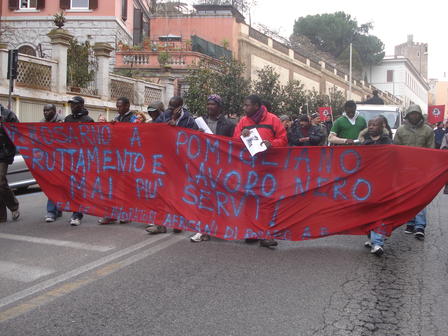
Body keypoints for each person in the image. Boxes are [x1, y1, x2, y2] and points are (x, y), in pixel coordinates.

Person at [233, 95, 287, 249]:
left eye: (247, 105)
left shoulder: (273, 120)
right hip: (249, 169)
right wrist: (240, 136)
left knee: (266, 202)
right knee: (250, 200)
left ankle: (265, 235)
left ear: (257, 106)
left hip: (269, 169)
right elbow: (234, 140)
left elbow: (283, 139)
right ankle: (251, 232)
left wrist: (272, 143)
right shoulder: (243, 121)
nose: (244, 108)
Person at [146, 97, 198, 235]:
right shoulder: (163, 117)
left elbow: (194, 140)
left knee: (178, 194)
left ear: (180, 107)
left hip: (180, 164)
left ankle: (178, 223)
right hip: (164, 162)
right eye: (169, 106)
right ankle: (160, 224)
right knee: (161, 194)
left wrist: (176, 125)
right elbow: (154, 133)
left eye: (173, 107)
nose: (170, 109)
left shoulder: (189, 121)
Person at [190, 94, 235, 242]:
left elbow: (232, 145)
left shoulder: (228, 124)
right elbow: (191, 140)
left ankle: (220, 227)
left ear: (220, 107)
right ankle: (203, 229)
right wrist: (198, 135)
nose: (210, 107)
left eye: (213, 104)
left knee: (219, 198)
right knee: (204, 197)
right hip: (202, 164)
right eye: (208, 104)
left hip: (220, 166)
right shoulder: (198, 122)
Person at [394, 104, 434, 240]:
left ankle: (420, 226)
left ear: (420, 115)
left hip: (421, 170)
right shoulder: (400, 130)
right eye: (412, 113)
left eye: (417, 113)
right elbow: (395, 150)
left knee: (421, 198)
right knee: (407, 198)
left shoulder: (428, 130)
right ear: (408, 115)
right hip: (405, 170)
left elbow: (431, 150)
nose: (414, 116)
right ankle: (410, 223)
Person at [98, 97, 134, 225]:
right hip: (114, 159)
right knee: (111, 188)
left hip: (128, 159)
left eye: (121, 106)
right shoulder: (117, 118)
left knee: (126, 189)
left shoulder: (133, 119)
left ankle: (126, 214)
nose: (119, 109)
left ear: (127, 105)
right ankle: (111, 214)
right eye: (117, 106)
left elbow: (133, 135)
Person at [362, 118, 392, 256]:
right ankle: (371, 237)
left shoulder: (388, 142)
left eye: (374, 125)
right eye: (370, 125)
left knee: (380, 211)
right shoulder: (364, 142)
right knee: (368, 211)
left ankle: (377, 242)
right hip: (366, 183)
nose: (371, 127)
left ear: (382, 126)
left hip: (382, 182)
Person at [65, 96, 94, 226]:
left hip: (83, 160)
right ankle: (76, 212)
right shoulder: (67, 119)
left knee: (80, 187)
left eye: (75, 104)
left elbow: (93, 141)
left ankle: (78, 213)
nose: (72, 106)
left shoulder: (88, 120)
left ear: (82, 105)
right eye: (71, 104)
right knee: (72, 187)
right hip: (70, 159)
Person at [41, 104, 64, 222]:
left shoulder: (62, 123)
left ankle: (53, 210)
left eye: (48, 110)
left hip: (60, 160)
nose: (45, 112)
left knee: (57, 185)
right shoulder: (42, 123)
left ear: (54, 111)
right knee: (51, 184)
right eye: (44, 110)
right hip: (48, 159)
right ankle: (54, 209)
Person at [0, 104, 20, 223]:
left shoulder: (8, 115)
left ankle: (13, 206)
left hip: (3, 153)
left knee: (0, 181)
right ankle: (1, 215)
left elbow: (17, 133)